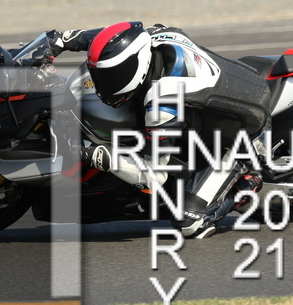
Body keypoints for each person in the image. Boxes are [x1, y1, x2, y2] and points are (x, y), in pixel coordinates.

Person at [47, 22, 269, 238]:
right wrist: (62, 40)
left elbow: (153, 177)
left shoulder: (162, 102)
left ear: (133, 67)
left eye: (111, 77)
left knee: (189, 222)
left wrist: (98, 156)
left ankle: (246, 185)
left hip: (242, 137)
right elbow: (111, 40)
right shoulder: (148, 39)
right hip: (228, 96)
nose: (101, 85)